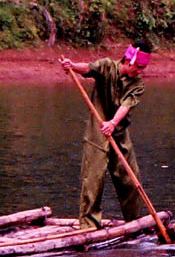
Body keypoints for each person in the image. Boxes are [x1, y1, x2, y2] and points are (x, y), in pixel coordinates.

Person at [59, 40, 151, 231]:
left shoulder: (138, 84)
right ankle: (89, 226)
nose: (140, 71)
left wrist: (113, 123)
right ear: (129, 60)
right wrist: (72, 66)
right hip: (97, 134)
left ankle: (134, 223)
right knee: (93, 180)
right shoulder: (107, 66)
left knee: (130, 180)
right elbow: (89, 69)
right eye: (139, 67)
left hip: (119, 134)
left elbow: (127, 105)